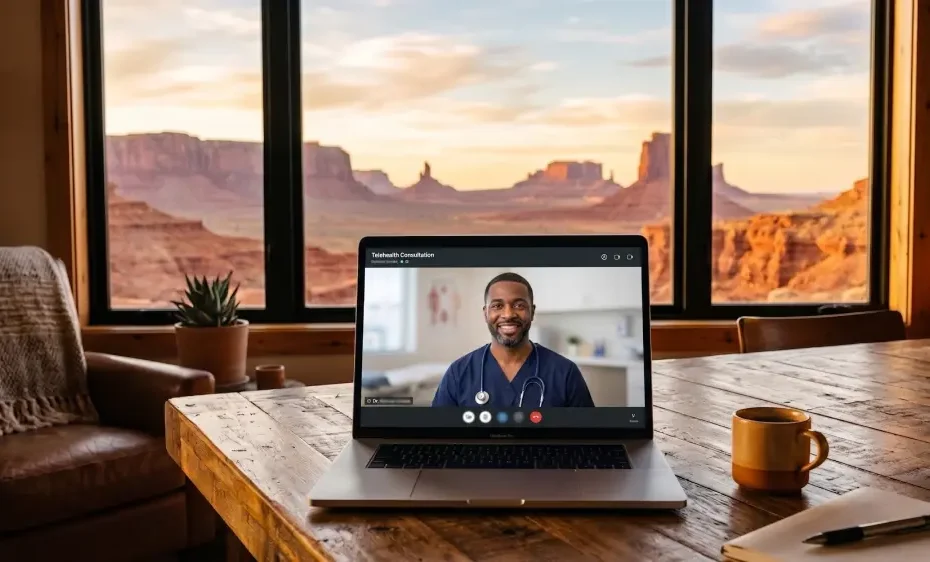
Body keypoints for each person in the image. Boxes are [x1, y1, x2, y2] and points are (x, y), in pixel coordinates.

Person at [431, 272, 595, 408]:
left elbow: (588, 438)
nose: (508, 314)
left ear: (532, 311)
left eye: (519, 305)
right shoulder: (459, 373)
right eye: (497, 306)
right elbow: (437, 437)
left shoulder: (565, 372)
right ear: (485, 313)